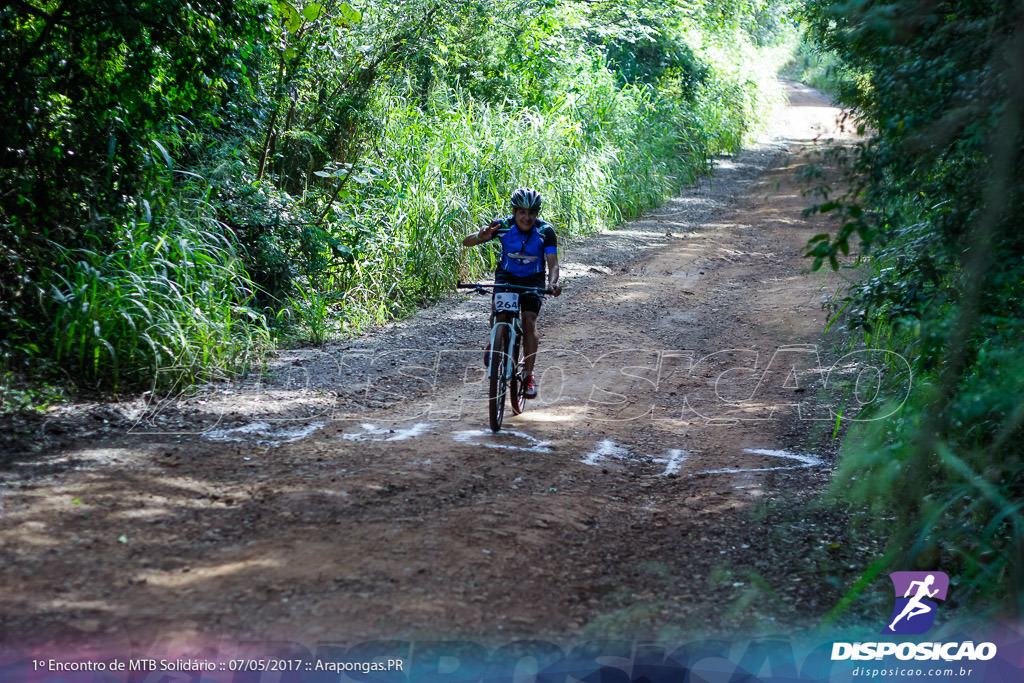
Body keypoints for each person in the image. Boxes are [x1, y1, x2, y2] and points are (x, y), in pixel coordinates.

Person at [462, 187, 562, 398]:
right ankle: (495, 342)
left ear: (537, 213)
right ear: (514, 212)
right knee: (500, 312)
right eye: (522, 212)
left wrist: (552, 283)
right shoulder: (502, 226)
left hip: (533, 279)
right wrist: (482, 235)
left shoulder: (546, 231)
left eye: (532, 213)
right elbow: (467, 242)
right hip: (507, 275)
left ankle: (528, 375)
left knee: (529, 321)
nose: (527, 217)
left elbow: (552, 264)